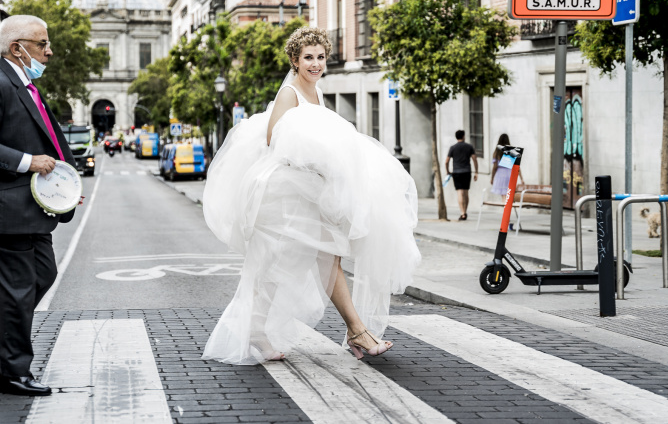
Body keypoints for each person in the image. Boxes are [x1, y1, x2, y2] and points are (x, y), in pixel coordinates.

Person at [202, 27, 420, 365]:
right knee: (304, 258)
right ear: (295, 60)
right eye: (308, 58)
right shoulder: (289, 93)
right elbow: (275, 138)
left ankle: (273, 329)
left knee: (284, 263)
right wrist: (315, 161)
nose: (315, 64)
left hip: (308, 188)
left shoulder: (315, 92)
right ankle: (356, 331)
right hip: (286, 190)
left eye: (320, 57)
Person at [0, 15, 76, 396]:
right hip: (1, 209)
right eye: (42, 44)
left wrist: (64, 185)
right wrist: (28, 161)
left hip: (28, 208)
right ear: (17, 48)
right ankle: (13, 372)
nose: (49, 51)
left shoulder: (25, 85)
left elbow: (51, 142)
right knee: (20, 286)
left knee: (42, 275)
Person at [445, 130, 478, 221]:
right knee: (466, 192)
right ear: (463, 136)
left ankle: (462, 212)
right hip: (467, 171)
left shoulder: (453, 148)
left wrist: (448, 171)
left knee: (460, 192)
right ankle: (465, 211)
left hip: (456, 172)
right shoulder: (469, 147)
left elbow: (446, 161)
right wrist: (476, 172)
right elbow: (474, 159)